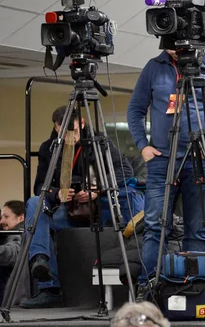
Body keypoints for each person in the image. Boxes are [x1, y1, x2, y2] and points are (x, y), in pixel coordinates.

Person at [127, 47, 205, 291]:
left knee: (197, 228)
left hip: (201, 159)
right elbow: (135, 110)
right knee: (155, 226)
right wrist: (143, 146)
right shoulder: (154, 66)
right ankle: (149, 286)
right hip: (161, 160)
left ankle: (194, 287)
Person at [20, 105, 142, 308]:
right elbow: (39, 187)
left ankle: (146, 276)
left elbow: (125, 172)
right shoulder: (48, 148)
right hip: (68, 210)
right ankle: (45, 277)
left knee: (131, 195)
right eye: (64, 132)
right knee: (35, 203)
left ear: (82, 124)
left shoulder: (100, 142)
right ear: (56, 127)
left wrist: (97, 189)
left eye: (74, 132)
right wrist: (57, 192)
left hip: (101, 206)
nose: (70, 137)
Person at [0, 200, 25, 305]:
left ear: (20, 217)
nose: (1, 221)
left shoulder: (20, 231)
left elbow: (15, 252)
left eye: (6, 217)